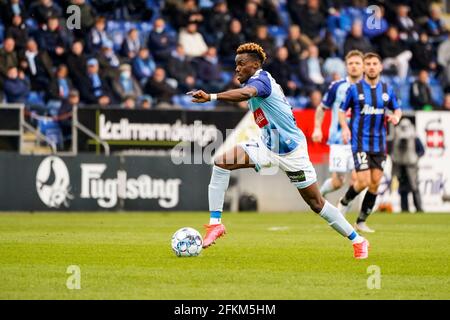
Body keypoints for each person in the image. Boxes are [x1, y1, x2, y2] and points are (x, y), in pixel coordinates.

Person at [188, 43, 370, 259]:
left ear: (255, 65)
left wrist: (212, 97)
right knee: (221, 162)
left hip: (292, 152)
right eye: (236, 64)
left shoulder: (262, 81)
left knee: (316, 203)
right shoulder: (255, 80)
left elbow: (246, 93)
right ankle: (215, 225)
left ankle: (358, 241)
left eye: (241, 64)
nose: (237, 69)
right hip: (267, 145)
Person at [338, 52, 402, 233]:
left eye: (375, 63)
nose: (372, 66)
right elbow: (342, 111)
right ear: (364, 68)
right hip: (360, 142)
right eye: (369, 64)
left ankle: (361, 221)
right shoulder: (354, 89)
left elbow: (397, 109)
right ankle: (344, 202)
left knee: (375, 182)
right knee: (364, 180)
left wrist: (396, 118)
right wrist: (345, 128)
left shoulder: (387, 89)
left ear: (380, 67)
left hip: (379, 143)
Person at [312, 50, 364, 198]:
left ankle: (344, 210)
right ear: (346, 66)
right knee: (338, 182)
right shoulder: (337, 86)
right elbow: (322, 108)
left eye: (357, 63)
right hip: (338, 139)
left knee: (357, 178)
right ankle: (320, 195)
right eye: (351, 63)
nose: (354, 66)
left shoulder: (368, 88)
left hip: (360, 141)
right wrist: (317, 128)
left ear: (363, 67)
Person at [392, 118, 424, 213]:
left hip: (411, 165)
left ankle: (418, 208)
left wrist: (415, 158)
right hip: (400, 165)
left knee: (414, 186)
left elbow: (421, 150)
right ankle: (404, 209)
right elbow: (393, 151)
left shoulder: (414, 137)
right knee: (402, 188)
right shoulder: (397, 136)